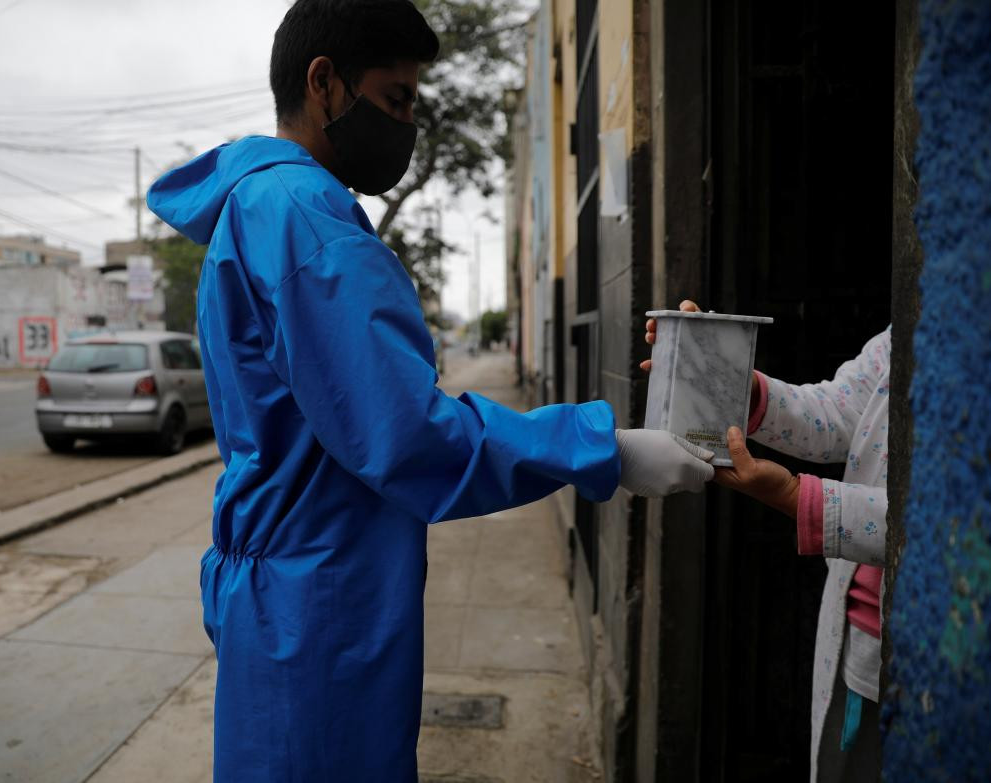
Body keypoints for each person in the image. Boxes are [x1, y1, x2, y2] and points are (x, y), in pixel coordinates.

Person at [146, 2, 714, 780]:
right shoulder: (306, 220)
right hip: (320, 604)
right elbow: (406, 432)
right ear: (324, 83)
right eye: (396, 99)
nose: (409, 125)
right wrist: (599, 447)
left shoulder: (254, 209)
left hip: (286, 590)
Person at [646, 301, 888, 781]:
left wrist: (799, 499)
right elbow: (839, 411)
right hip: (857, 643)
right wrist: (727, 379)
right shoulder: (916, 325)